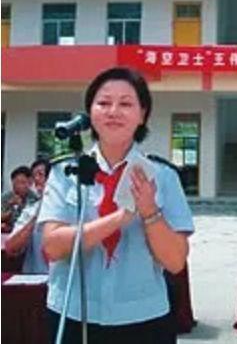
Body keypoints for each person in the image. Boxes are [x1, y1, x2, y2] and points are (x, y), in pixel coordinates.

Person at [38, 67, 194, 344]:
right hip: (73, 312)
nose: (113, 111)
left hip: (144, 317)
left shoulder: (163, 177)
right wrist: (119, 218)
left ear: (142, 114)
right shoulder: (65, 173)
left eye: (125, 104)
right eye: (104, 102)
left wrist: (150, 212)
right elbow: (53, 247)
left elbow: (174, 261)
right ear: (90, 112)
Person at [5, 161, 51, 273]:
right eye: (34, 176)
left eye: (40, 174)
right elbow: (11, 248)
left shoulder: (72, 208)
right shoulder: (31, 210)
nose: (36, 179)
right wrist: (37, 215)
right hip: (35, 276)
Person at [1, 165, 38, 233]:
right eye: (15, 182)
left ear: (30, 183)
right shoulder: (5, 197)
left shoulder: (34, 199)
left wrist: (21, 205)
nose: (18, 186)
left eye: (22, 182)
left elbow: (30, 220)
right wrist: (10, 206)